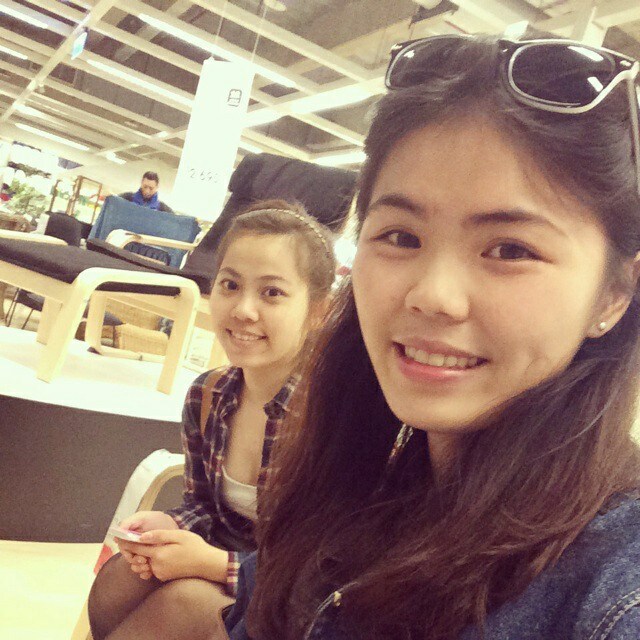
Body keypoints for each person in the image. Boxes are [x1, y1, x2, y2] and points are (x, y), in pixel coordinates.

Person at [224, 35, 640, 640]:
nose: (432, 295)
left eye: (510, 249)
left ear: (613, 296)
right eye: (400, 236)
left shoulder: (613, 592)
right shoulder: (364, 482)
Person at [87, 199, 336, 640]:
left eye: (272, 293)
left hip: (296, 596)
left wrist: (214, 565)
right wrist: (172, 527)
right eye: (230, 285)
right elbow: (202, 504)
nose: (243, 310)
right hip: (225, 561)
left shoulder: (332, 417)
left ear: (318, 310)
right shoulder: (209, 394)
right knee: (119, 581)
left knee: (185, 604)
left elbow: (329, 563)